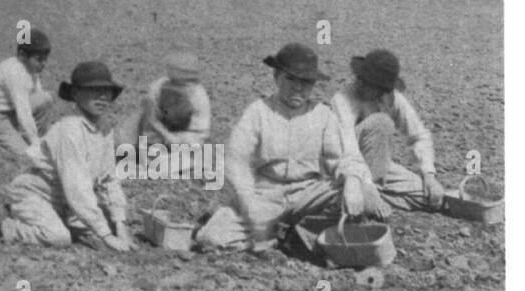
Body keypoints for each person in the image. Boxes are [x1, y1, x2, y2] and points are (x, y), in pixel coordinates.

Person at [194, 43, 385, 254]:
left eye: (306, 82)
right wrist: (249, 204)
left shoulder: (323, 116)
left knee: (361, 198)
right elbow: (236, 161)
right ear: (276, 77)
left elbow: (341, 159)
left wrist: (352, 181)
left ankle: (295, 234)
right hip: (264, 194)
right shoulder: (257, 112)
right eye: (291, 79)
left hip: (307, 194)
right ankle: (286, 237)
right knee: (211, 238)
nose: (298, 87)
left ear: (313, 84)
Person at [0, 61, 135, 250]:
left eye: (107, 91)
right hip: (38, 194)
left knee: (107, 225)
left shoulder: (105, 128)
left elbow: (109, 178)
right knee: (59, 237)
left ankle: (67, 219)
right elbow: (76, 186)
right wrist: (107, 235)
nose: (102, 97)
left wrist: (120, 225)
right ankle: (5, 226)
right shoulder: (69, 130)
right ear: (76, 95)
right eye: (94, 91)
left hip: (68, 202)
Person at [330, 49, 444, 212]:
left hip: (377, 163)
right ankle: (365, 198)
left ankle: (367, 199)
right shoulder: (342, 99)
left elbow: (419, 135)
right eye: (362, 80)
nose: (363, 86)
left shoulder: (392, 98)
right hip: (346, 167)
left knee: (426, 196)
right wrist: (367, 185)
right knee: (381, 122)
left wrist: (429, 176)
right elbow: (347, 148)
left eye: (372, 85)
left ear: (383, 89)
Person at [0, 29, 56, 157]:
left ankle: (39, 138)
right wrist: (35, 144)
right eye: (39, 59)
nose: (43, 64)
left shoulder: (30, 68)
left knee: (45, 98)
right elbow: (23, 112)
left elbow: (36, 95)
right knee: (25, 152)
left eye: (45, 59)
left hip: (10, 110)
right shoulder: (15, 72)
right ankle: (26, 140)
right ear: (22, 55)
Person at [118, 49, 212, 153]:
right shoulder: (159, 85)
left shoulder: (199, 96)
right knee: (131, 128)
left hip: (184, 137)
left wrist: (172, 139)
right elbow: (149, 117)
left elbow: (199, 134)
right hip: (157, 130)